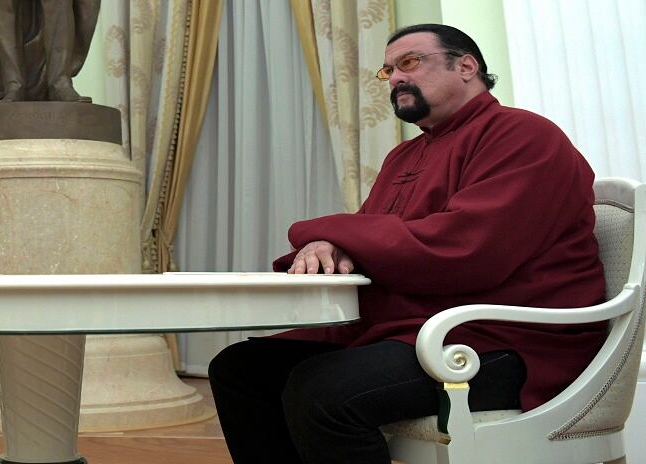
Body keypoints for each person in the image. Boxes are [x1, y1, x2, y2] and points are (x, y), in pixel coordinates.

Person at [208, 24, 607, 464]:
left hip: (507, 340)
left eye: (410, 62)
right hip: (418, 328)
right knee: (239, 369)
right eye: (388, 70)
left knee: (324, 391)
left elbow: (466, 252)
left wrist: (328, 230)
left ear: (466, 67)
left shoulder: (523, 134)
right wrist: (325, 245)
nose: (395, 77)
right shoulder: (403, 156)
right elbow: (367, 236)